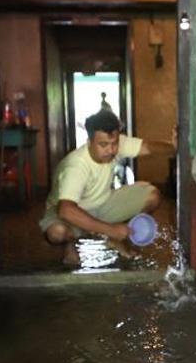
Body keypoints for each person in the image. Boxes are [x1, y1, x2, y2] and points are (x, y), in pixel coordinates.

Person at [41, 108, 175, 264]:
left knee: (152, 195)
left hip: (103, 204)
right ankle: (71, 244)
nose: (111, 150)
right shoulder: (76, 166)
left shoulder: (115, 144)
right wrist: (111, 230)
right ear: (89, 142)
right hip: (69, 214)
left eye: (114, 143)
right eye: (103, 144)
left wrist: (174, 146)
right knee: (57, 232)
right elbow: (66, 210)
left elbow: (147, 147)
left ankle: (121, 236)